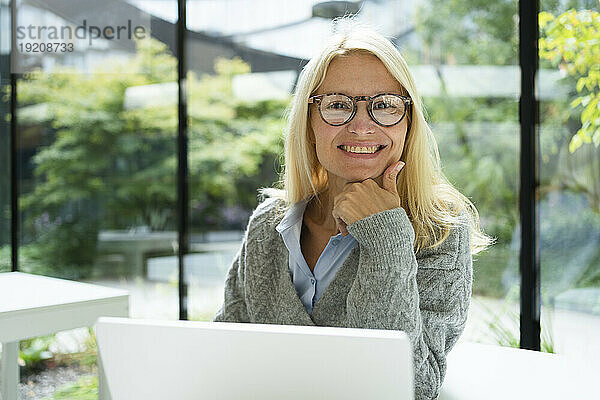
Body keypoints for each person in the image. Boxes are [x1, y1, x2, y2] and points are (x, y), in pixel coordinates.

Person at [214, 19, 494, 400]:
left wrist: (387, 236)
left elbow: (412, 386)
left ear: (408, 122)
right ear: (309, 121)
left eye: (385, 105)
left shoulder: (439, 229)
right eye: (338, 105)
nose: (361, 126)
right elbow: (222, 351)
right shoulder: (268, 223)